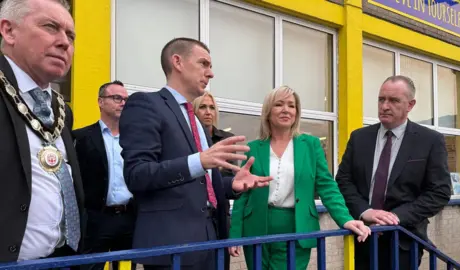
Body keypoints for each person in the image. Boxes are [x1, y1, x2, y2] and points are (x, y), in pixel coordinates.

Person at [119, 37, 273, 270]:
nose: (210, 73)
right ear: (177, 62)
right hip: (172, 247)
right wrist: (199, 161)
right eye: (204, 64)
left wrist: (232, 185)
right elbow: (137, 174)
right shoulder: (145, 104)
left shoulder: (195, 120)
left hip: (212, 242)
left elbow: (201, 183)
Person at [228, 86, 371, 270]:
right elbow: (243, 194)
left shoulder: (310, 145)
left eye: (291, 105)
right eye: (279, 104)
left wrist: (345, 219)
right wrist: (235, 234)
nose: (286, 109)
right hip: (256, 227)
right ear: (268, 111)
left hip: (297, 226)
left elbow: (327, 186)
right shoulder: (254, 147)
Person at [336, 75, 451, 270]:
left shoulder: (429, 140)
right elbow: (344, 182)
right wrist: (366, 212)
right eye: (381, 99)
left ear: (410, 105)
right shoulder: (359, 138)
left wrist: (395, 217)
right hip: (365, 236)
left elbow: (439, 192)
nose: (385, 106)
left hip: (405, 240)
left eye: (394, 100)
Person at [0, 0, 84, 263]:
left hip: (59, 260)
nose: (64, 43)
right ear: (8, 31)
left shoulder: (60, 108)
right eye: (50, 27)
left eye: (70, 35)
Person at [73, 80, 135, 270]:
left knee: (137, 264)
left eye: (126, 99)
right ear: (100, 102)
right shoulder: (80, 137)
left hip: (130, 217)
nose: (123, 103)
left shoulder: (136, 139)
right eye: (117, 98)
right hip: (96, 220)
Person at [193, 92, 235, 270]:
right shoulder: (188, 139)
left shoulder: (225, 139)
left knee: (220, 264)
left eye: (211, 107)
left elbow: (230, 178)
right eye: (202, 107)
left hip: (220, 214)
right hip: (194, 215)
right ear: (193, 111)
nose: (208, 112)